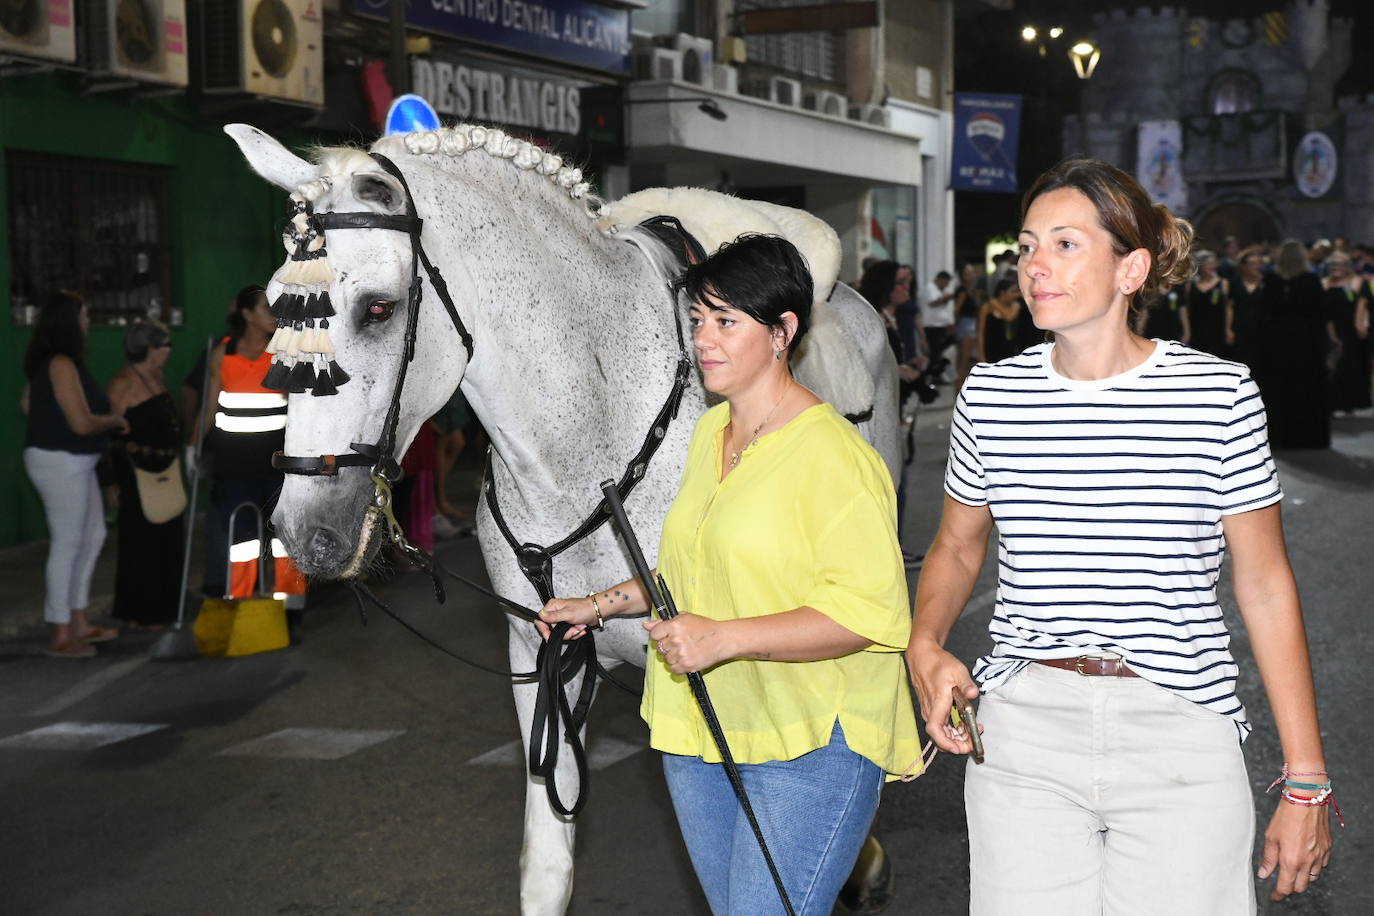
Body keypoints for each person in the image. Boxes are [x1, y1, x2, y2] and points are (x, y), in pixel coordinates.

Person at [906, 159, 1335, 914]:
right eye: (1029, 246)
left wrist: (1305, 777)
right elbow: (958, 544)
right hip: (1024, 732)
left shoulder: (1217, 395)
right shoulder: (993, 395)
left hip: (1179, 729)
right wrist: (926, 640)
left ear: (1131, 268)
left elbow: (1264, 585)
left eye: (1065, 244)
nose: (1034, 265)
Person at [540, 234, 922, 915]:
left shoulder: (835, 457)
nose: (704, 340)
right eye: (697, 321)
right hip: (704, 728)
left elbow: (870, 614)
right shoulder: (708, 434)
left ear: (782, 332)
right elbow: (696, 567)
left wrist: (723, 639)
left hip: (813, 741)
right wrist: (595, 607)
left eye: (726, 321)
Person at [20, 291, 129, 657]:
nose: (87, 322)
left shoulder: (54, 363)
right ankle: (61, 633)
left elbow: (26, 404)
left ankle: (79, 621)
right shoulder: (61, 363)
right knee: (68, 543)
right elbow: (82, 424)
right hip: (60, 461)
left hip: (72, 461)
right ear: (69, 321)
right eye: (83, 315)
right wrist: (114, 420)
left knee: (94, 535)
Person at [194, 285, 306, 613]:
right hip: (234, 467)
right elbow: (209, 408)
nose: (274, 315)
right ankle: (244, 608)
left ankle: (290, 610)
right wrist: (194, 446)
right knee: (242, 543)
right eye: (266, 308)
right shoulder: (223, 353)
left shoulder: (285, 353)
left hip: (278, 465)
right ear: (246, 314)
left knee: (286, 541)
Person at [107, 321, 184, 629]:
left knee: (169, 535)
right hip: (136, 470)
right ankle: (139, 611)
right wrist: (110, 480)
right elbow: (112, 435)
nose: (169, 351)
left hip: (166, 467)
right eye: (166, 345)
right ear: (152, 349)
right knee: (142, 539)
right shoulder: (123, 383)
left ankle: (165, 607)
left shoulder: (157, 376)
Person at [1255, 241, 1332, 449]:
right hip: (1306, 345)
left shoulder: (1271, 281)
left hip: (1276, 346)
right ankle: (1309, 437)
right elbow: (1320, 317)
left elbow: (1263, 316)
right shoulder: (1311, 280)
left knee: (1279, 391)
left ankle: (1280, 436)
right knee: (1307, 389)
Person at [1322, 251, 1371, 414]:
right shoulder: (1324, 284)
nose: (1337, 268)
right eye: (1333, 265)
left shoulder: (1357, 282)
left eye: (1340, 264)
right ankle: (1332, 403)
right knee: (1332, 366)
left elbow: (1362, 305)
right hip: (1328, 328)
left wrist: (1360, 324)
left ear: (1347, 266)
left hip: (1350, 329)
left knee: (1351, 364)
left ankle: (1350, 401)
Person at [977, 277, 1038, 364]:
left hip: (1011, 351)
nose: (1016, 295)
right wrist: (981, 356)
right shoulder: (986, 308)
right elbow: (980, 333)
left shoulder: (1016, 305)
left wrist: (994, 303)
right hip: (991, 350)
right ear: (1002, 293)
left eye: (1016, 292)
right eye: (1013, 292)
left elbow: (1009, 317)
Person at [1187, 249, 1230, 356]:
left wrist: (1228, 329)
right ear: (1200, 266)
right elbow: (1188, 309)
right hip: (1197, 328)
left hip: (1217, 328)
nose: (1213, 267)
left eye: (1214, 263)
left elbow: (1228, 308)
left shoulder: (1223, 283)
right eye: (1209, 264)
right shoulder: (1190, 285)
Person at [1227, 250, 1266, 369]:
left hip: (1262, 329)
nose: (1257, 267)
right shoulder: (1235, 283)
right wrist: (1228, 329)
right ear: (1243, 266)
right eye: (1252, 264)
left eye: (1259, 263)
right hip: (1240, 328)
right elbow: (1230, 307)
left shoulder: (1266, 283)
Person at [952, 263, 985, 390]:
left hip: (970, 324)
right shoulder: (963, 291)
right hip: (966, 325)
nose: (972, 275)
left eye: (972, 272)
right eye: (968, 273)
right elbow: (957, 310)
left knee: (966, 361)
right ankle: (959, 390)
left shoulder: (972, 290)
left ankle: (961, 389)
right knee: (964, 361)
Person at [921, 270, 957, 371]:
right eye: (946, 283)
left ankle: (935, 370)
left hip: (940, 325)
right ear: (940, 280)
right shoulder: (930, 288)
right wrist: (946, 298)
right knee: (934, 352)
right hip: (932, 325)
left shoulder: (940, 290)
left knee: (947, 343)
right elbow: (933, 303)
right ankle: (930, 372)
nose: (946, 286)